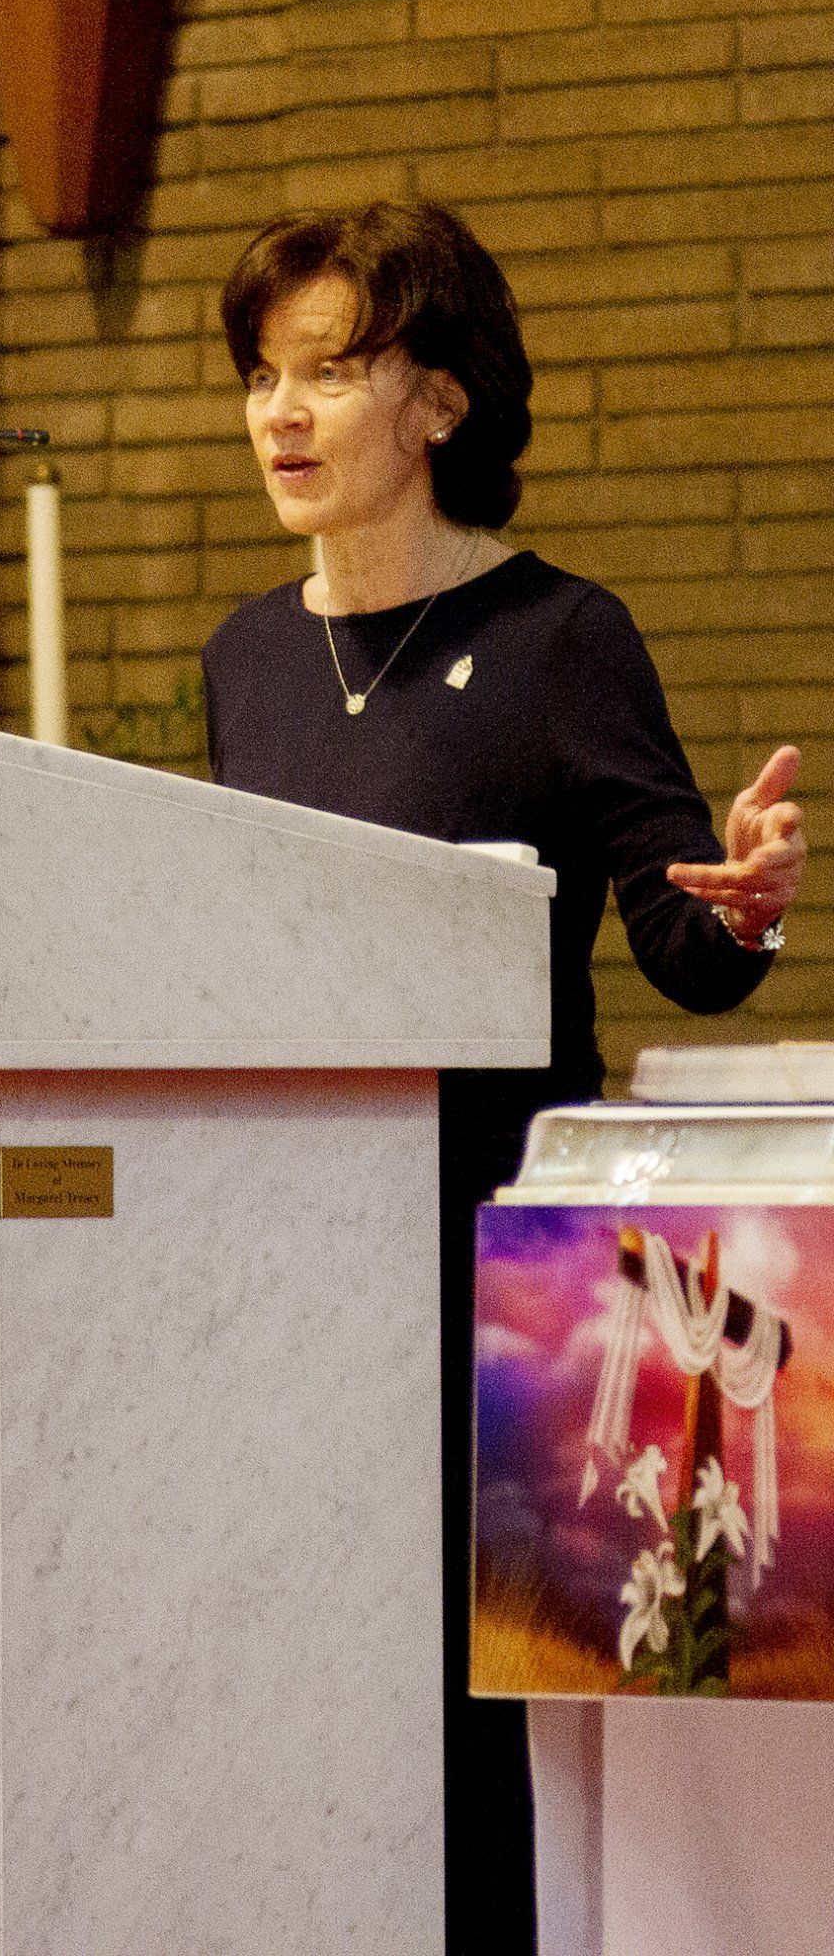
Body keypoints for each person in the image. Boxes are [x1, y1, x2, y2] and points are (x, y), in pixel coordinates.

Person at [200, 200, 807, 1951]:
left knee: (484, 1736)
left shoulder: (560, 640)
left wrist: (745, 902)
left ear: (444, 402)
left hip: (494, 1291)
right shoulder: (249, 657)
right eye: (260, 376)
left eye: (331, 370)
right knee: (322, 1709)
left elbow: (679, 942)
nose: (280, 414)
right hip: (284, 1266)